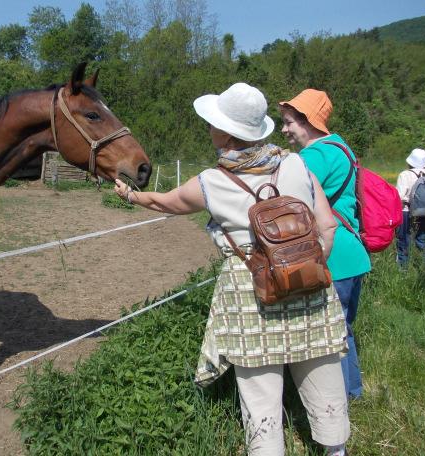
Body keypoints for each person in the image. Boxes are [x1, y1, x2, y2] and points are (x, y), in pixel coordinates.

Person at [115, 82, 349, 456]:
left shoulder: (212, 182)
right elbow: (328, 225)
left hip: (250, 292)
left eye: (212, 123)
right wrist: (306, 264)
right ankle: (335, 449)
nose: (209, 129)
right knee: (322, 373)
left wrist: (129, 194)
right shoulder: (297, 164)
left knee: (260, 394)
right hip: (309, 283)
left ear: (227, 132)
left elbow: (164, 203)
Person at [279, 89, 371, 401]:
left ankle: (338, 403)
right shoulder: (341, 147)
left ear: (308, 121)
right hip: (353, 254)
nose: (285, 129)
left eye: (289, 122)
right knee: (344, 329)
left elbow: (284, 200)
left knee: (330, 335)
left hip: (333, 257)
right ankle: (353, 392)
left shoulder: (314, 156)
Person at [395, 148, 425, 269]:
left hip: (406, 211)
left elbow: (399, 196)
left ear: (410, 162)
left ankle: (403, 269)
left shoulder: (405, 175)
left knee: (404, 241)